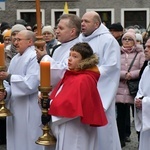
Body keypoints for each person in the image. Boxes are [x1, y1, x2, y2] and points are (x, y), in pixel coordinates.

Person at [45, 42, 107, 150]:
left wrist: (49, 105)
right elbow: (62, 94)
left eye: (75, 56)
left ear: (84, 60)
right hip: (67, 124)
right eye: (70, 55)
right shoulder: (73, 74)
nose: (69, 59)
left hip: (75, 127)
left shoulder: (84, 79)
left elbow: (71, 105)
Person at [79, 11, 121, 150]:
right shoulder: (80, 39)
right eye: (82, 21)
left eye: (87, 21)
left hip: (100, 93)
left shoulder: (108, 40)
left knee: (103, 134)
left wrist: (87, 74)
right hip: (82, 91)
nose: (83, 24)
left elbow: (111, 68)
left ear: (96, 24)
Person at [0, 30, 43, 150]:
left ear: (30, 42)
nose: (15, 43)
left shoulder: (34, 57)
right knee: (15, 140)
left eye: (19, 40)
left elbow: (31, 83)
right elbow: (8, 83)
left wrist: (8, 77)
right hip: (14, 106)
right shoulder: (15, 58)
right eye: (14, 40)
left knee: (28, 140)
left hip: (29, 107)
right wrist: (6, 93)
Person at [116, 31, 145, 147]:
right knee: (121, 117)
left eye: (130, 39)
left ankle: (141, 140)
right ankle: (121, 139)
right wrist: (123, 74)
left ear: (134, 41)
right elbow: (114, 68)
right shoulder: (117, 53)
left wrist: (131, 75)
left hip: (134, 89)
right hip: (120, 88)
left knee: (138, 116)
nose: (127, 41)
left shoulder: (140, 54)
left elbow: (144, 69)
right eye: (125, 39)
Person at [36, 14, 81, 88]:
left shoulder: (79, 50)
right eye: (57, 28)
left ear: (72, 31)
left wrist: (44, 57)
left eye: (61, 28)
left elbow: (63, 73)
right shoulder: (57, 49)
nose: (57, 31)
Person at [134, 38, 150, 150]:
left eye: (149, 47)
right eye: (146, 46)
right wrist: (139, 100)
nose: (145, 50)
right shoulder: (147, 68)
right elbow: (141, 90)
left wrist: (145, 102)